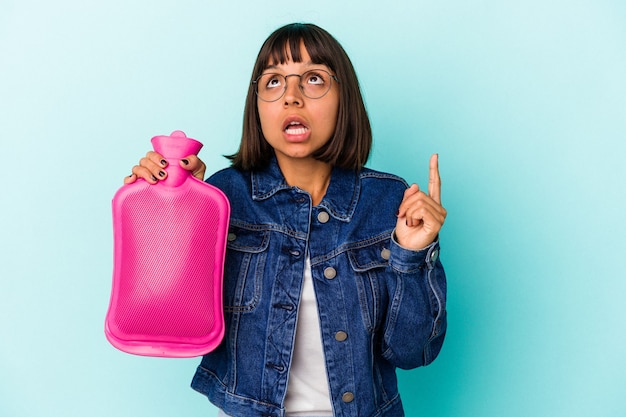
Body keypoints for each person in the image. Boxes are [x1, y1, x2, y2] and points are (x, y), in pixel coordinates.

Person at [125, 23, 447, 417]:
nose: (291, 97)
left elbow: (413, 352)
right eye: (274, 81)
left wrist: (412, 256)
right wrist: (171, 210)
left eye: (313, 79)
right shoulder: (224, 198)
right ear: (257, 104)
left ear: (343, 97)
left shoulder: (387, 202)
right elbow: (171, 320)